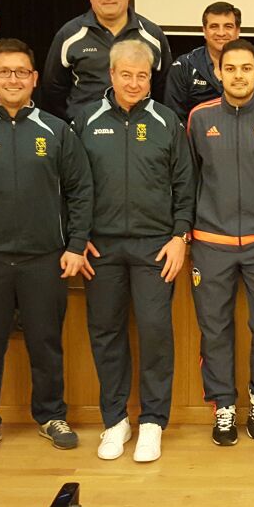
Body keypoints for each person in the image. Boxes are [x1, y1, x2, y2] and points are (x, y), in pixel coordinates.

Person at [0, 38, 93, 460]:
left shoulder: (56, 131)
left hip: (46, 258)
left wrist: (76, 245)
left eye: (20, 72)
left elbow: (81, 191)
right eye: (3, 72)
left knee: (46, 344)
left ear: (34, 79)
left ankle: (50, 416)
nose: (12, 79)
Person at [74, 39, 194, 464]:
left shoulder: (167, 121)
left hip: (155, 247)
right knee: (106, 333)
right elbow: (70, 185)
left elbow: (185, 185)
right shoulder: (85, 120)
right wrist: (77, 236)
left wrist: (181, 236)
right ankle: (115, 421)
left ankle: (152, 423)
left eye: (142, 75)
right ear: (111, 75)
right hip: (100, 248)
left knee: (156, 333)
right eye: (126, 74)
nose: (134, 82)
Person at [185, 39, 254, 445]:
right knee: (215, 328)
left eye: (247, 68)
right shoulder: (198, 118)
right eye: (231, 69)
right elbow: (187, 179)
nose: (239, 76)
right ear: (218, 73)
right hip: (211, 241)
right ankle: (224, 405)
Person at [42, 0, 172, 120]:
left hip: (139, 131)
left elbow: (164, 87)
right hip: (83, 134)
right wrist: (76, 120)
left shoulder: (152, 35)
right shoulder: (69, 34)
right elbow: (53, 89)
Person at [163, 1, 254, 119]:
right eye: (214, 26)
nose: (221, 33)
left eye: (228, 26)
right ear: (204, 31)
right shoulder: (183, 67)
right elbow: (174, 121)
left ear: (238, 31)